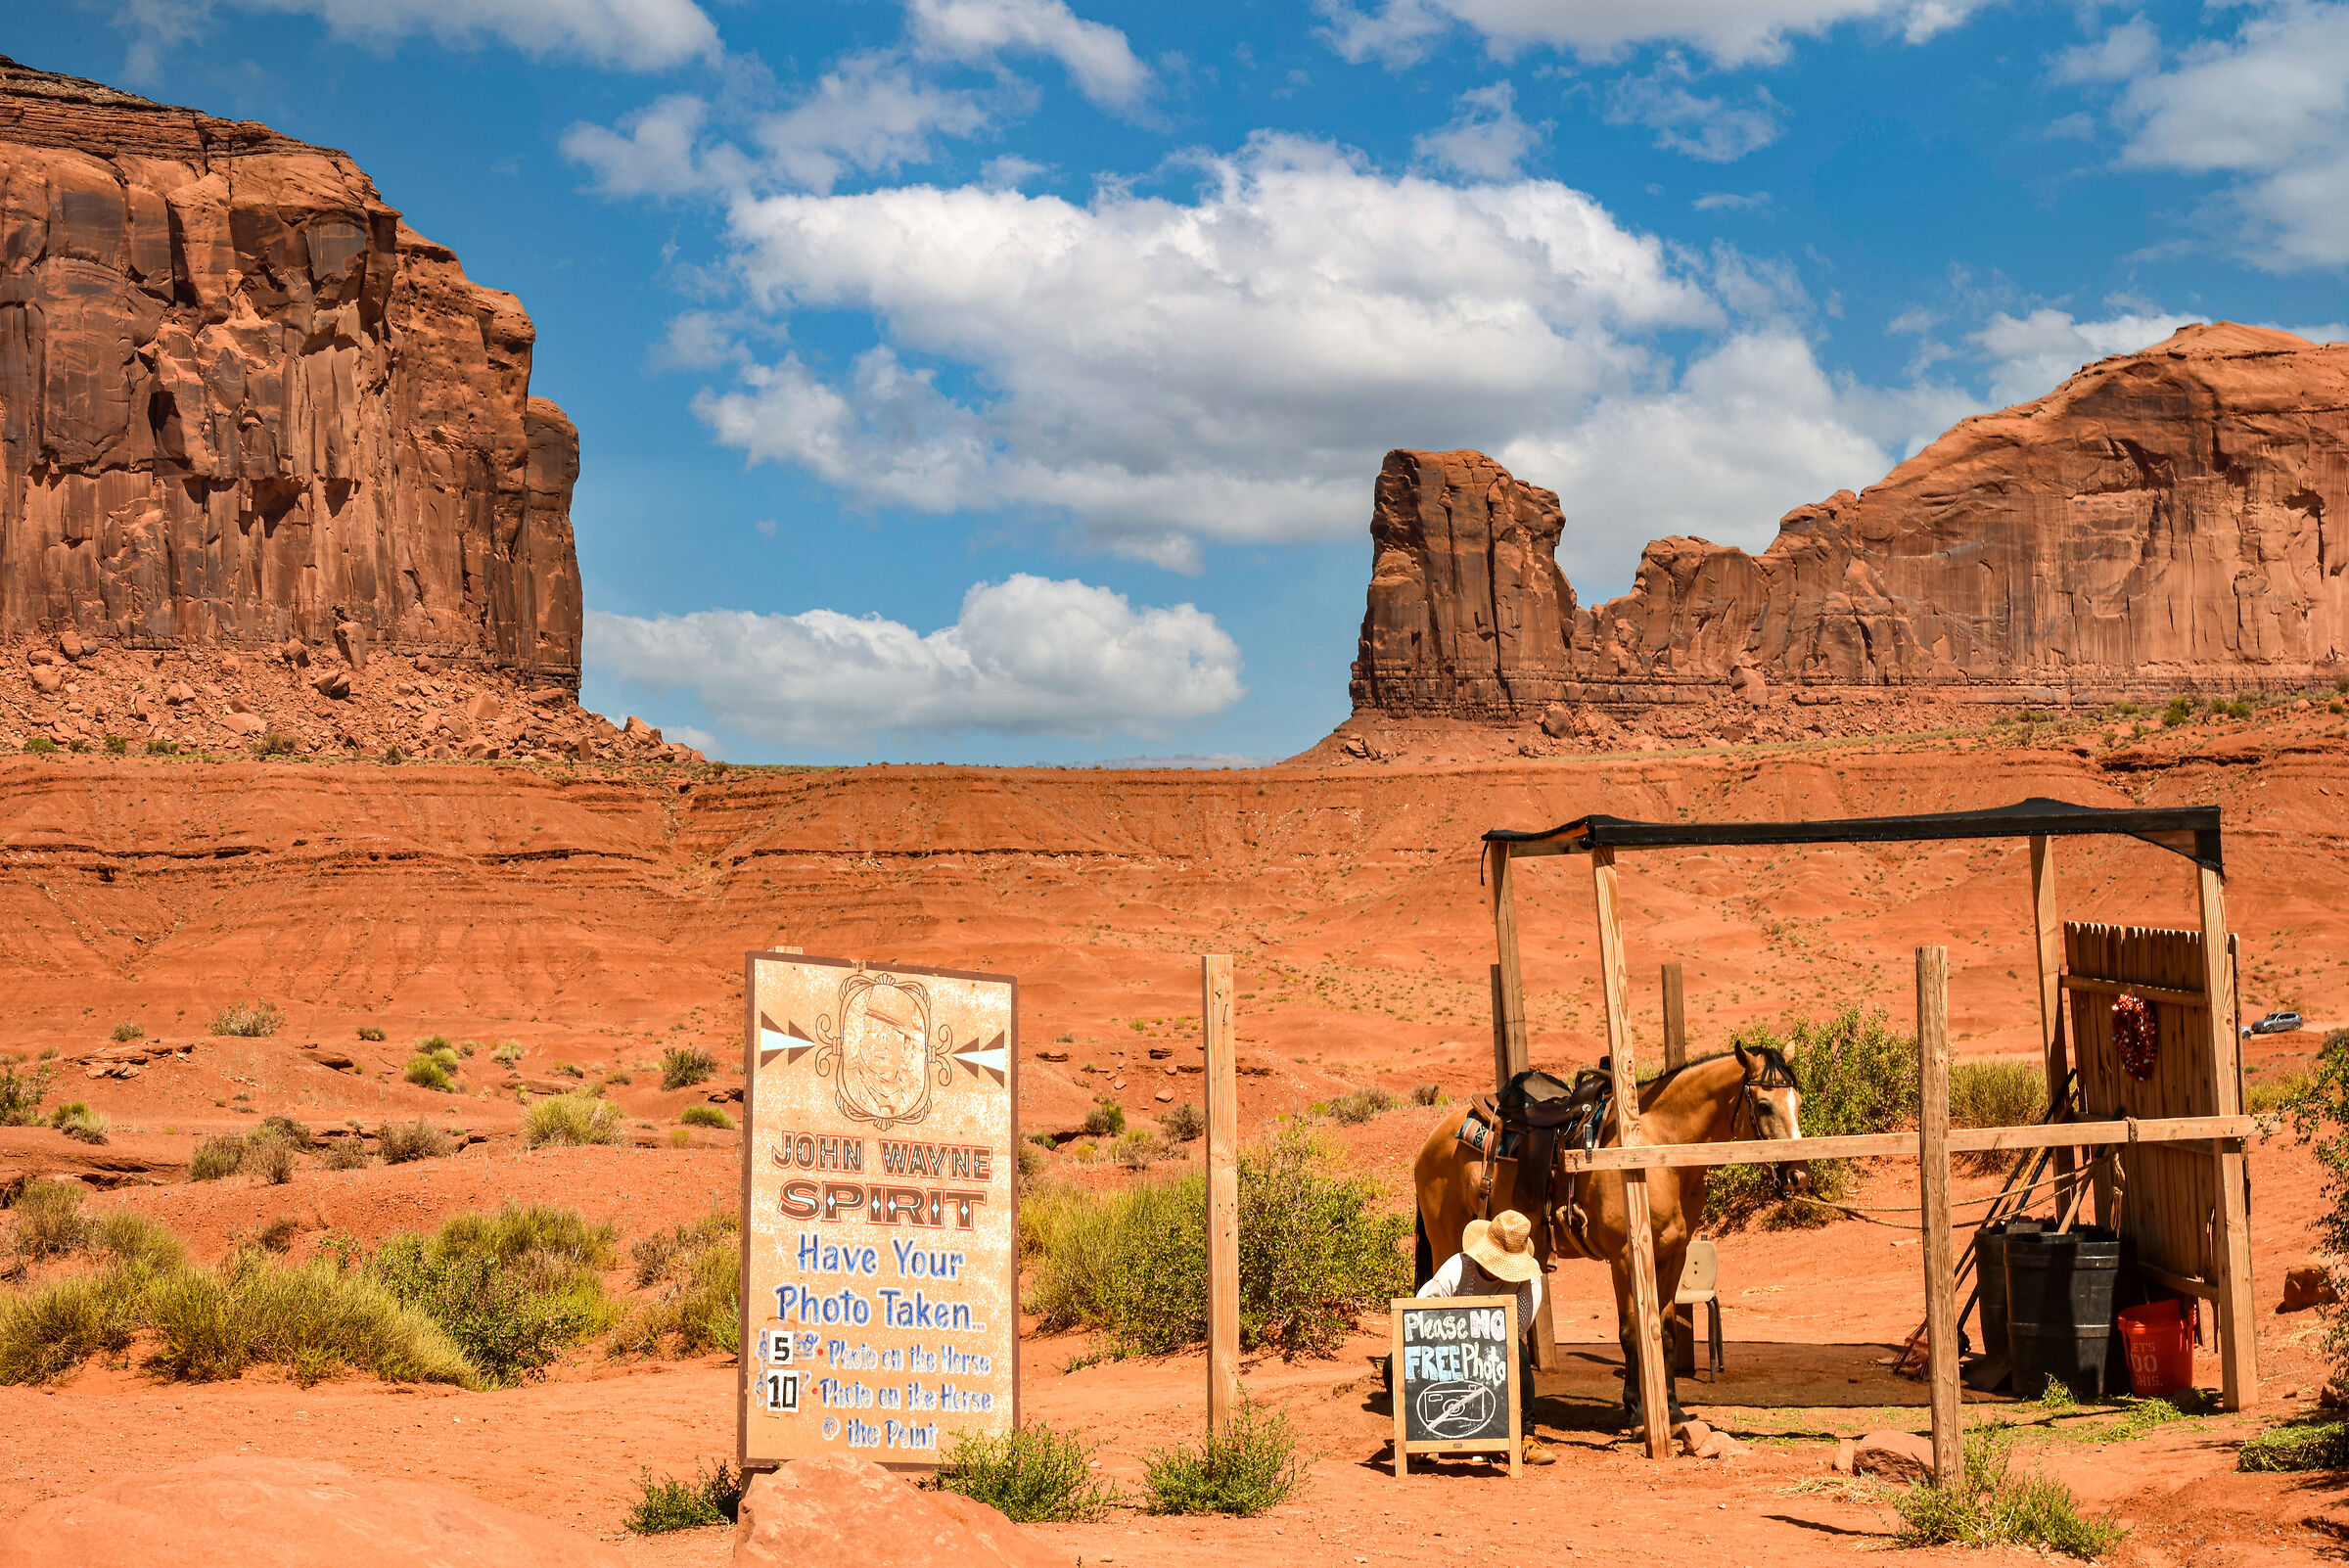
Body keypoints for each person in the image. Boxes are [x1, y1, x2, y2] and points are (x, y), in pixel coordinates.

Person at [1418, 1209, 1552, 1465]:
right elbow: (1421, 1317)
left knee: (1520, 1352)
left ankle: (1526, 1437)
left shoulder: (1530, 1276)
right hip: (1447, 1352)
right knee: (1396, 1365)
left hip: (1494, 1356)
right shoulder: (1458, 1268)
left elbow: (1518, 1328)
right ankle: (1423, 1436)